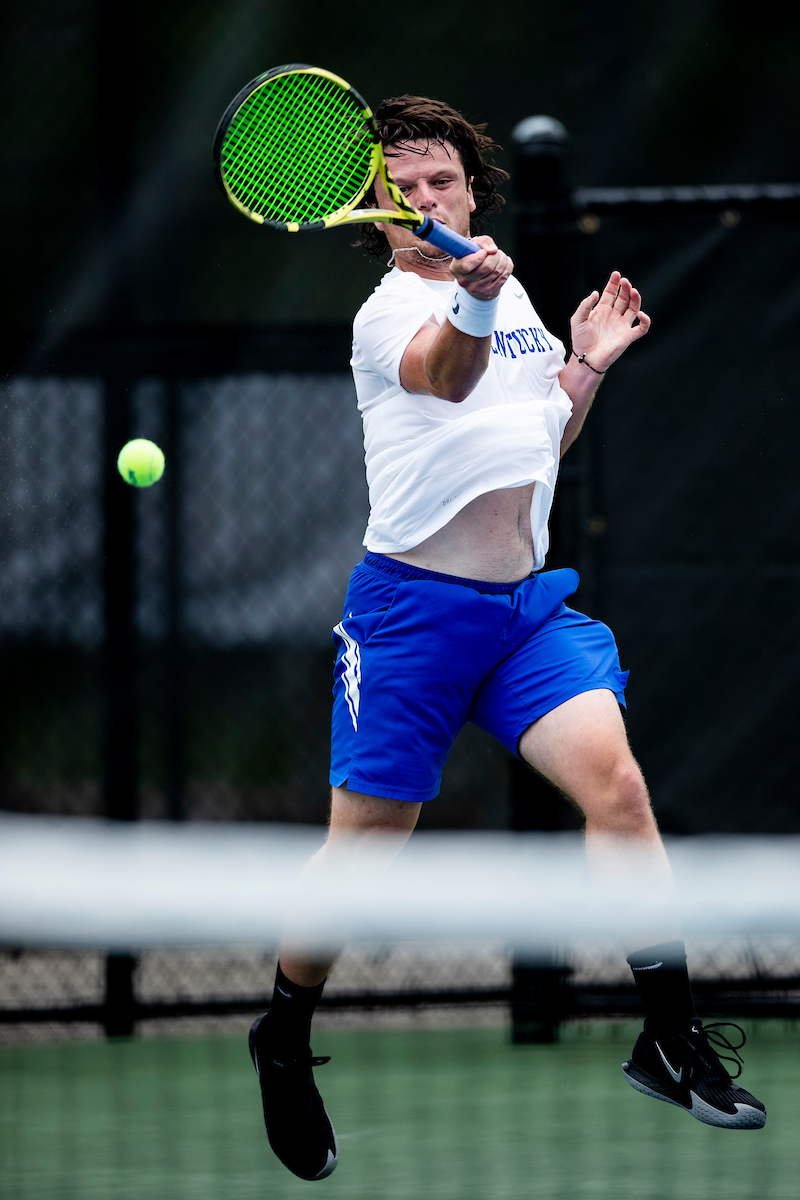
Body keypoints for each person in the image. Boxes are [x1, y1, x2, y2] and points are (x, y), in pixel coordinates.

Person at [248, 95, 766, 1181]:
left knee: (617, 793)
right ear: (374, 216)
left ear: (470, 191)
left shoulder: (511, 289)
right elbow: (448, 373)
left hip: (522, 615)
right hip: (409, 617)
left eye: (440, 182)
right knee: (365, 852)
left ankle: (667, 1037)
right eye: (401, 191)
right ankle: (283, 1035)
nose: (424, 202)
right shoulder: (387, 313)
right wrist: (478, 304)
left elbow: (538, 437)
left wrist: (582, 366)